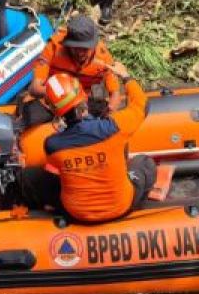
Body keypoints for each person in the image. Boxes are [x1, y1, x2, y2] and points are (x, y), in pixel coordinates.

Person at [19, 71, 153, 224]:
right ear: (83, 98)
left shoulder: (52, 145)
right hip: (120, 207)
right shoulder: (114, 127)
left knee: (29, 177)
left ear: (53, 109)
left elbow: (57, 167)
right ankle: (140, 213)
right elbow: (143, 104)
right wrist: (127, 77)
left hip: (75, 213)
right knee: (145, 163)